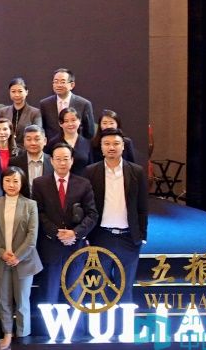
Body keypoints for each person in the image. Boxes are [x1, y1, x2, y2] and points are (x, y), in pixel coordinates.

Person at [85, 128, 148, 305]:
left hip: (129, 238)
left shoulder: (136, 171)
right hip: (101, 236)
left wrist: (142, 235)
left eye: (115, 143)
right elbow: (87, 206)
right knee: (99, 286)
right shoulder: (91, 171)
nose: (111, 147)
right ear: (101, 147)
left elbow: (142, 206)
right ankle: (100, 322)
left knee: (125, 288)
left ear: (123, 146)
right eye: (107, 144)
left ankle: (123, 323)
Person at [31, 143, 99, 306]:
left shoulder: (83, 183)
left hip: (76, 246)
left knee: (75, 294)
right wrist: (57, 233)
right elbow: (38, 213)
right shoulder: (40, 183)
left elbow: (92, 214)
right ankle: (48, 324)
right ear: (51, 161)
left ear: (72, 160)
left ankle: (76, 323)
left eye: (66, 159)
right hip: (51, 246)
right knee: (49, 294)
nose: (62, 163)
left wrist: (75, 233)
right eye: (58, 159)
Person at [0, 167, 42, 350]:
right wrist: (2, 252)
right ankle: (7, 333)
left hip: (24, 260)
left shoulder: (30, 205)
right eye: (7, 181)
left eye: (15, 181)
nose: (11, 185)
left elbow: (32, 236)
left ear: (22, 183)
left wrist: (17, 256)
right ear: (2, 182)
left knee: (22, 301)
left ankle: (23, 335)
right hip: (1, 259)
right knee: (3, 300)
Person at [39, 68, 97, 141]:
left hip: (76, 145)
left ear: (72, 85)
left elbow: (89, 132)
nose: (59, 85)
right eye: (56, 82)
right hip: (52, 145)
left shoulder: (84, 104)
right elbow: (42, 129)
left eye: (63, 82)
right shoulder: (45, 104)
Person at [45, 108, 92, 177]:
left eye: (73, 120)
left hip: (83, 181)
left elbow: (91, 166)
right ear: (60, 124)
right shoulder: (53, 143)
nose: (70, 124)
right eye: (66, 121)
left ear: (79, 121)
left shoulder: (87, 143)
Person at [11, 125, 52, 197]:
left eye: (37, 139)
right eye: (29, 139)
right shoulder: (14, 162)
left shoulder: (53, 162)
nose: (33, 143)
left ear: (45, 141)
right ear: (24, 141)